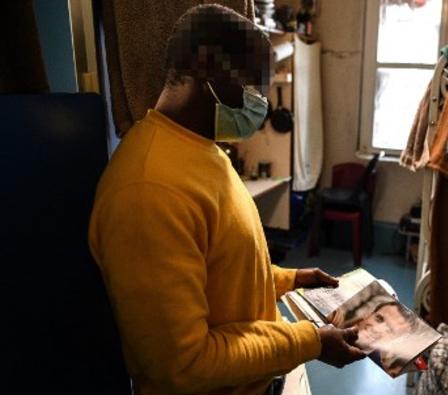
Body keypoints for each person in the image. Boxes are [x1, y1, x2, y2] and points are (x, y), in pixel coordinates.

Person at [88, 5, 364, 395]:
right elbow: (183, 365)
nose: (261, 102)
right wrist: (310, 342)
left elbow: (218, 268)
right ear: (209, 69)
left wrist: (289, 280)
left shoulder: (202, 150)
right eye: (254, 85)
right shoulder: (147, 190)